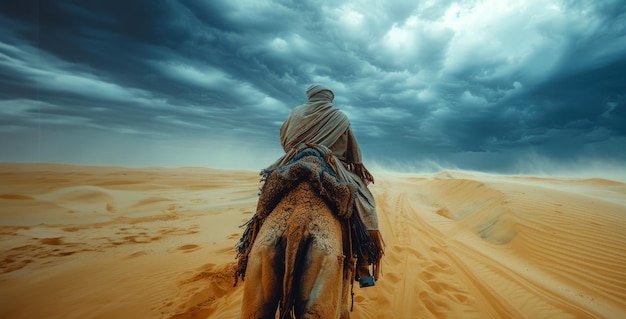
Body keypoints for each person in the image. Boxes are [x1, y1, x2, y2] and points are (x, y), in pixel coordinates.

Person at [266, 84, 384, 283]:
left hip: (294, 161)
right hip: (331, 165)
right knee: (365, 202)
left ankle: (249, 246)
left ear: (310, 96)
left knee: (268, 192)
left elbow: (285, 141)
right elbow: (352, 153)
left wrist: (301, 147)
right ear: (329, 98)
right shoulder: (340, 117)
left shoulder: (294, 113)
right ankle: (363, 263)